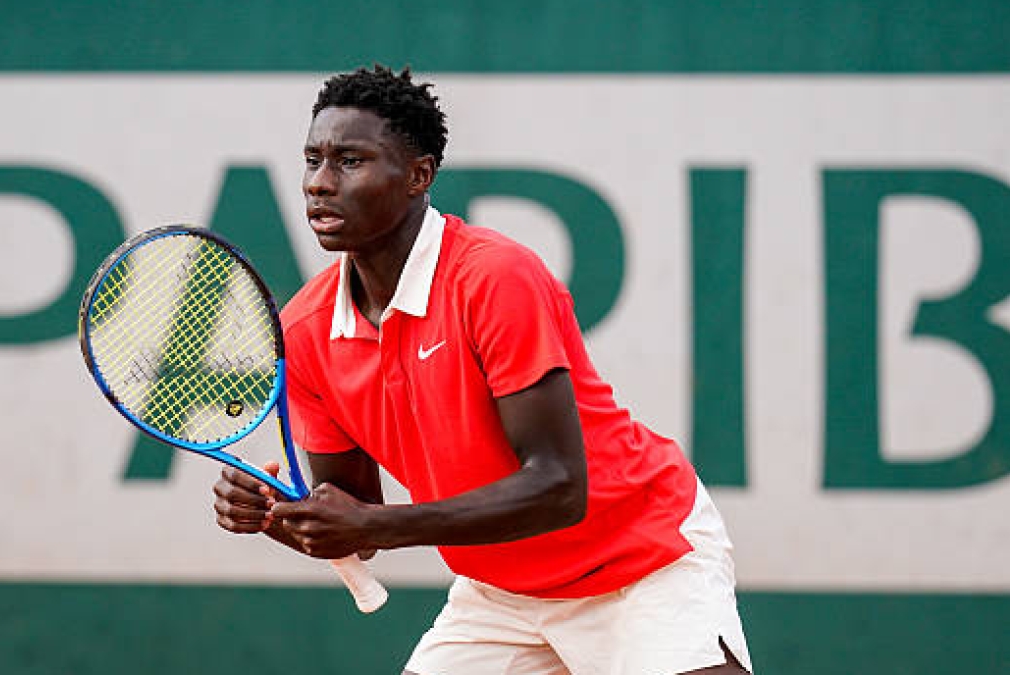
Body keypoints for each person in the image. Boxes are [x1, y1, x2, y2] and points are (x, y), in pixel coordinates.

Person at [213, 64, 753, 675]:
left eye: (350, 161)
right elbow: (356, 516)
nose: (319, 183)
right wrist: (278, 515)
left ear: (419, 175)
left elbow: (558, 487)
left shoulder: (494, 278)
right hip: (502, 592)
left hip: (639, 559)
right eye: (313, 160)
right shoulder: (305, 333)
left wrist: (376, 524)